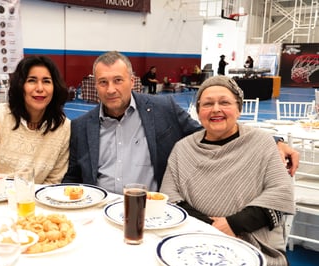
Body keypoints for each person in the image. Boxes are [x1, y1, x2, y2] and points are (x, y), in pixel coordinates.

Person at [62, 51, 299, 194]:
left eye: (118, 80)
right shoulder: (82, 125)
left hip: (153, 212)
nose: (111, 89)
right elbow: (73, 177)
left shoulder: (163, 109)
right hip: (99, 215)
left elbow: (213, 133)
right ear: (95, 85)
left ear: (132, 80)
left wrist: (273, 141)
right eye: (103, 82)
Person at [160, 75, 295, 266]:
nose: (216, 109)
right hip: (193, 241)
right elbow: (170, 198)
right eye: (207, 104)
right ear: (198, 112)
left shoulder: (263, 142)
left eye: (224, 102)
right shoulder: (183, 149)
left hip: (252, 245)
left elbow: (281, 193)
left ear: (239, 109)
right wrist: (211, 228)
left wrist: (234, 224)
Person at [0, 55, 70, 184]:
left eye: (46, 81)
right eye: (32, 80)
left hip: (30, 202)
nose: (40, 88)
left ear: (55, 87)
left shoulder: (64, 127)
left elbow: (53, 180)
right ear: (20, 85)